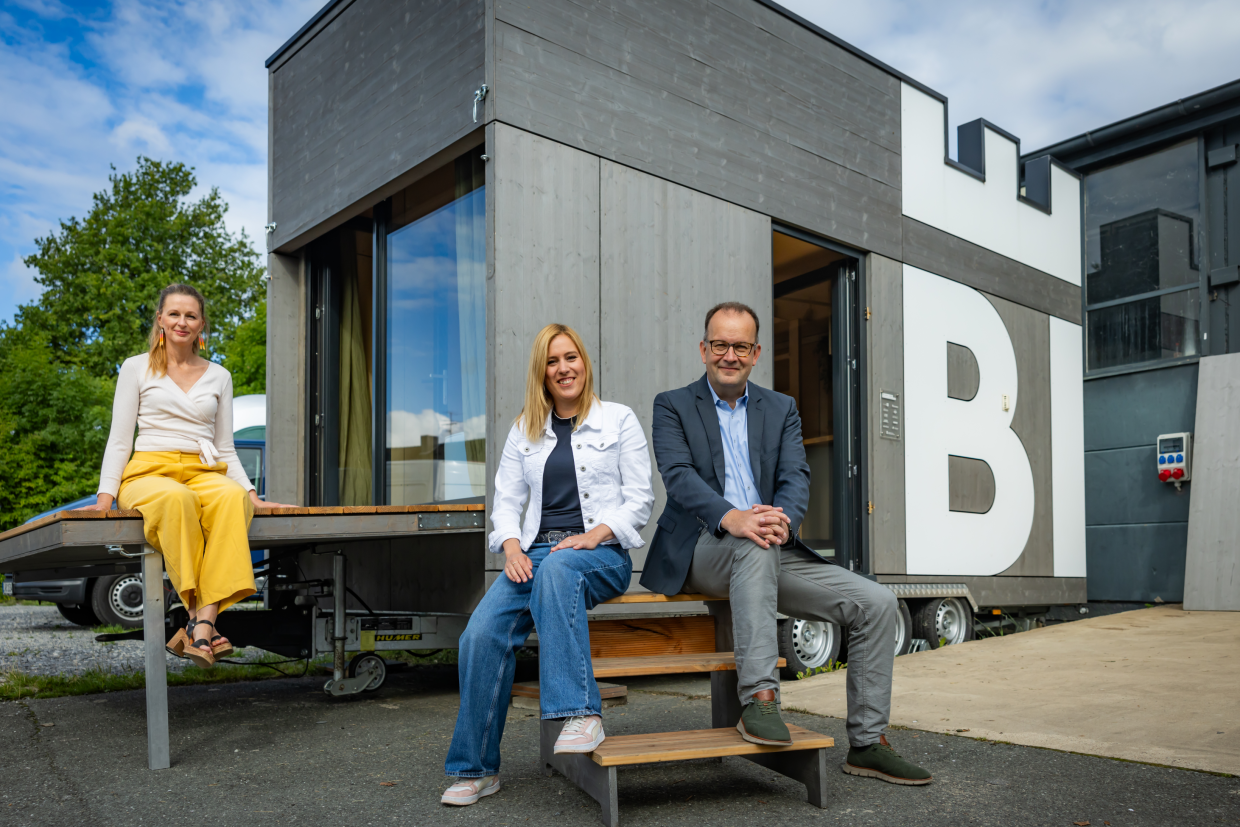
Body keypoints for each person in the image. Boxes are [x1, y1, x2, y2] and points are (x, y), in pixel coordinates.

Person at [640, 301, 931, 785]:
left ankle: (867, 744)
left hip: (770, 546)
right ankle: (760, 698)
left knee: (877, 603)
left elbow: (796, 476)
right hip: (700, 546)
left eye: (739, 346)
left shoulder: (781, 408)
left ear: (755, 353)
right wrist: (732, 517)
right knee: (752, 544)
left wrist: (785, 523)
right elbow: (679, 476)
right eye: (719, 345)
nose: (728, 355)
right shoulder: (671, 404)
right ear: (703, 349)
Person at [441, 323, 654, 806]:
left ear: (585, 363)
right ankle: (475, 769)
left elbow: (640, 499)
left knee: (560, 571)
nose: (564, 368)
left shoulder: (618, 419)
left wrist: (594, 535)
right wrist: (511, 548)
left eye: (571, 357)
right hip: (535, 554)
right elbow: (505, 503)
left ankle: (581, 713)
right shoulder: (525, 428)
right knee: (480, 635)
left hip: (600, 552)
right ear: (542, 372)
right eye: (553, 361)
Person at [85, 283, 292, 668]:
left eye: (191, 316)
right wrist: (105, 499)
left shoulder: (220, 376)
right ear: (160, 319)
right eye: (175, 314)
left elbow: (225, 447)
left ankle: (200, 627)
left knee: (230, 500)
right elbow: (119, 439)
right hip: (149, 469)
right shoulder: (136, 367)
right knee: (175, 500)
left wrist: (250, 493)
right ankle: (205, 626)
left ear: (201, 326)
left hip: (202, 467)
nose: (182, 321)